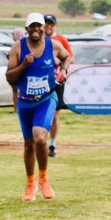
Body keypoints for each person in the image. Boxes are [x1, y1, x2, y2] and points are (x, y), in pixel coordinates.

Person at [7, 13, 72, 201]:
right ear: (26, 29)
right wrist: (24, 66)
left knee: (40, 138)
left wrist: (64, 70)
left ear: (44, 28)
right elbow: (10, 77)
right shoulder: (18, 48)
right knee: (28, 145)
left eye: (39, 26)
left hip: (46, 99)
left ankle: (44, 179)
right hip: (25, 102)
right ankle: (30, 184)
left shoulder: (54, 46)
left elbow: (67, 57)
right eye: (32, 27)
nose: (36, 30)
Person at [44, 14, 73, 157]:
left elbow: (69, 57)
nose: (48, 27)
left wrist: (62, 66)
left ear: (55, 25)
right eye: (46, 24)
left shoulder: (61, 40)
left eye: (51, 24)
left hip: (57, 80)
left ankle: (52, 144)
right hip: (41, 80)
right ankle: (40, 140)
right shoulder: (38, 39)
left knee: (55, 114)